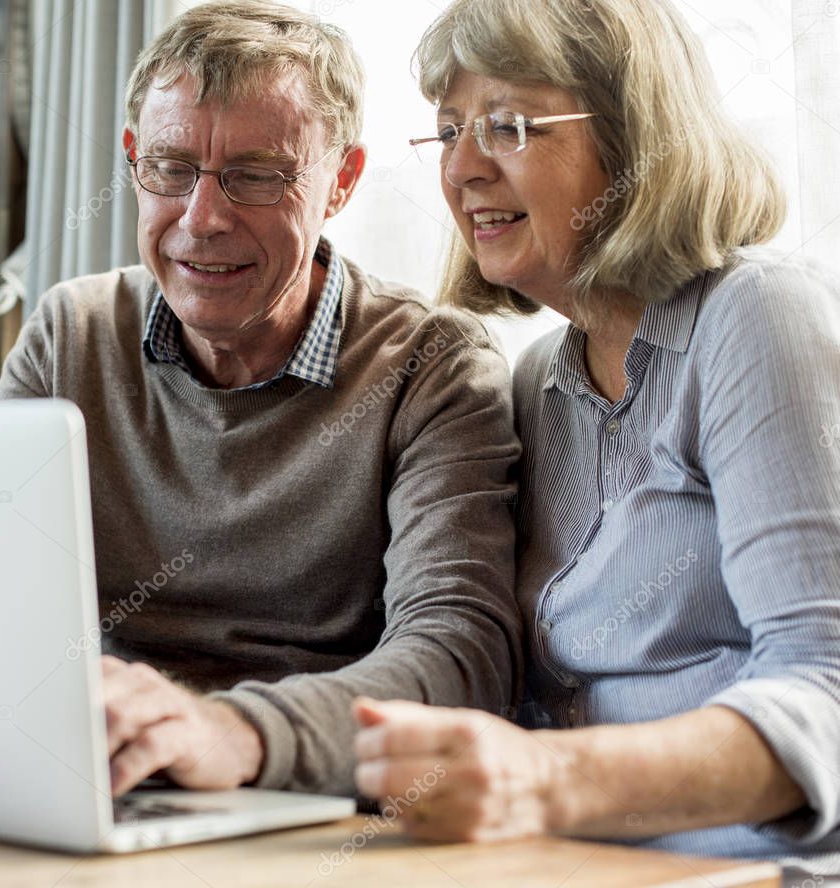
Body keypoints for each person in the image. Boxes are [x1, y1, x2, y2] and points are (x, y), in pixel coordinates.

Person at [352, 0, 840, 883]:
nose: (461, 168)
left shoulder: (755, 319)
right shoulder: (538, 376)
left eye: (506, 126)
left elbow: (828, 684)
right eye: (448, 131)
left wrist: (545, 781)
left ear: (629, 134)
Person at [0, 0, 522, 800]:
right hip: (93, 784)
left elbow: (462, 657)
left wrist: (230, 735)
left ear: (340, 180)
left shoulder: (429, 367)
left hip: (305, 804)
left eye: (256, 176)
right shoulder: (70, 337)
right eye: (171, 169)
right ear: (134, 159)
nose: (202, 219)